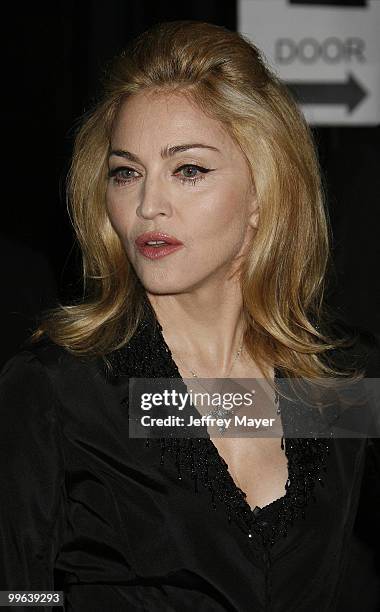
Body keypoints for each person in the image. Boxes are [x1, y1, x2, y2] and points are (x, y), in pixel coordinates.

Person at [0, 19, 379, 612]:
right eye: (126, 173)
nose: (148, 205)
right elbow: (18, 590)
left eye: (189, 170)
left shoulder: (339, 383)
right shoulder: (56, 390)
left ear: (263, 191)